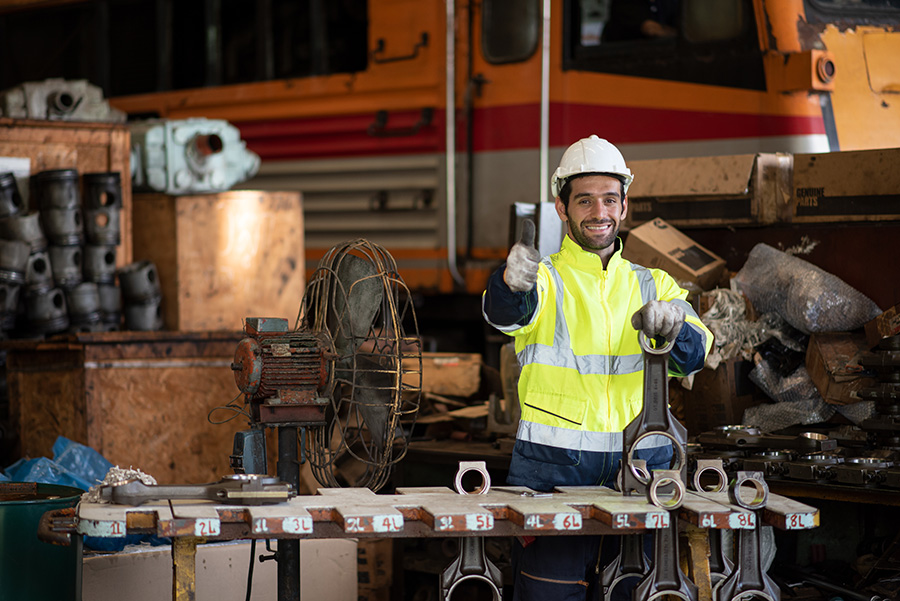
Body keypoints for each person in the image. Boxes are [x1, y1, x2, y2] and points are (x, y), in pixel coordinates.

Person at [482, 135, 713, 601]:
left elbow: (695, 355)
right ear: (562, 208)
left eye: (610, 199)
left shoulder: (654, 284)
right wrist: (509, 281)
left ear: (625, 206)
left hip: (640, 478)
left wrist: (675, 330)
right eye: (584, 200)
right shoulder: (543, 280)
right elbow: (504, 313)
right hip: (551, 480)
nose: (599, 212)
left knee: (634, 593)